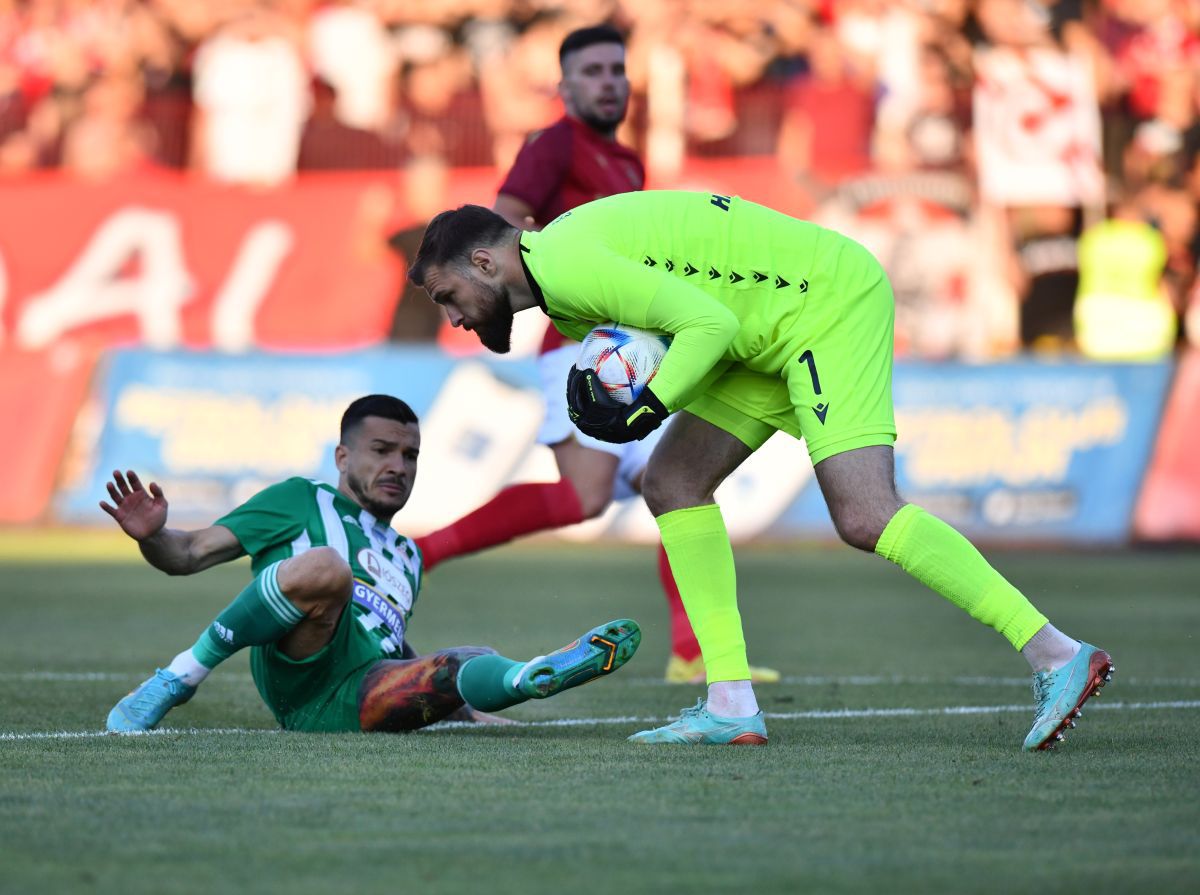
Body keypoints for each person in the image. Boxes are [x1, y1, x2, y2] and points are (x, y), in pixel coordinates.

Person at [405, 191, 1116, 750]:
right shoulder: (559, 279)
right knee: (673, 482)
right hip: (763, 327)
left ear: (485, 264)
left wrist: (650, 403)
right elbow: (700, 317)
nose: (455, 319)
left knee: (866, 513)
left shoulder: (565, 266)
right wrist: (643, 401)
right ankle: (729, 703)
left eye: (447, 298)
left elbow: (705, 324)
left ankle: (1056, 653)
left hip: (822, 304)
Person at [412, 24, 778, 685]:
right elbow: (504, 221)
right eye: (594, 72)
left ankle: (695, 653)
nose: (609, 82)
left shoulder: (628, 162)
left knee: (673, 486)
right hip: (583, 346)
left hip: (632, 343)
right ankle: (422, 550)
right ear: (566, 86)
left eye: (617, 70)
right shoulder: (552, 146)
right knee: (595, 496)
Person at [102, 394, 641, 734]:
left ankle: (530, 675)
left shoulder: (407, 556)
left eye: (409, 456)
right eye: (382, 450)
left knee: (463, 658)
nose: (398, 466)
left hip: (365, 695)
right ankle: (177, 679)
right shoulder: (298, 499)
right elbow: (188, 554)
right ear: (342, 457)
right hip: (304, 679)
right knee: (327, 567)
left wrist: (459, 699)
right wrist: (155, 537)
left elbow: (392, 645)